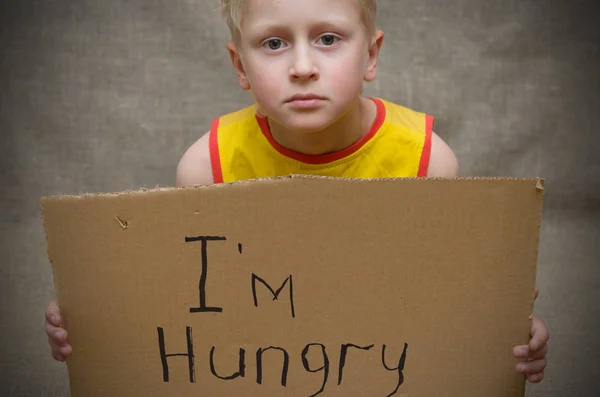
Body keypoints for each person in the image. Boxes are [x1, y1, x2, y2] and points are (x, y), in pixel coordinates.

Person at [45, 0, 549, 384]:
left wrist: (505, 333)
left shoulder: (428, 162)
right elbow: (188, 302)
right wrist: (95, 319)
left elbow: (451, 296)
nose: (303, 65)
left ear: (371, 54)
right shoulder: (207, 168)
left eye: (328, 38)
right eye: (273, 43)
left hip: (382, 373)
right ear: (239, 65)